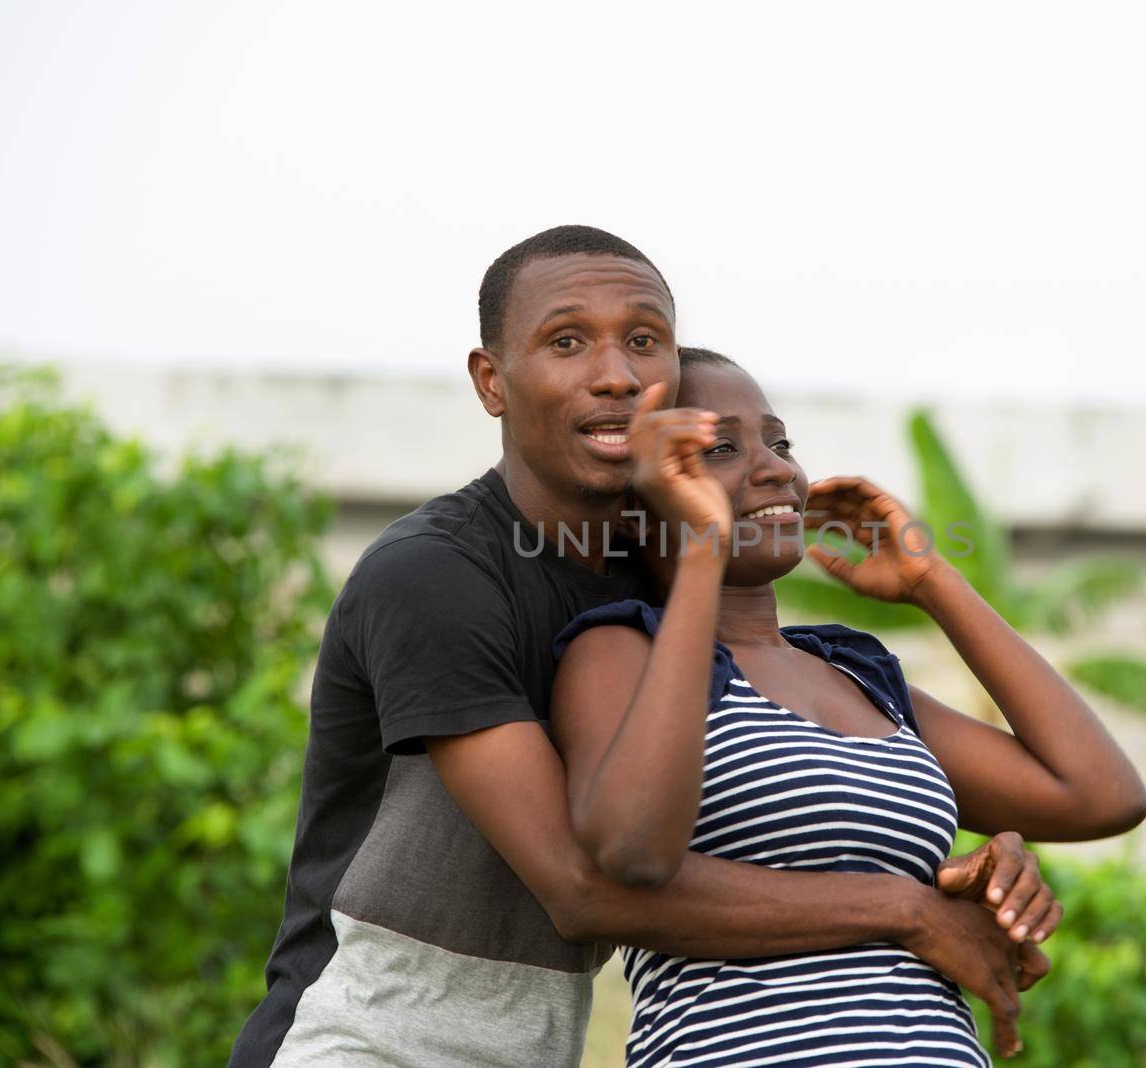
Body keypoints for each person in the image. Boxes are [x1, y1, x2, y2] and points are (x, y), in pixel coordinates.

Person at [229, 228, 1058, 1067]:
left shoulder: (663, 587)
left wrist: (967, 854)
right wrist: (907, 908)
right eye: (565, 342)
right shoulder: (436, 574)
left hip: (533, 1046)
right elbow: (587, 888)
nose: (617, 374)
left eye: (643, 340)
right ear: (492, 381)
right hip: (368, 1040)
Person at [550, 347, 1146, 1065]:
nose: (775, 469)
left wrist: (933, 580)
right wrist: (702, 552)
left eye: (780, 442)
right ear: (636, 497)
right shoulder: (622, 652)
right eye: (719, 448)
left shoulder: (855, 673)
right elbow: (631, 851)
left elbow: (1099, 795)